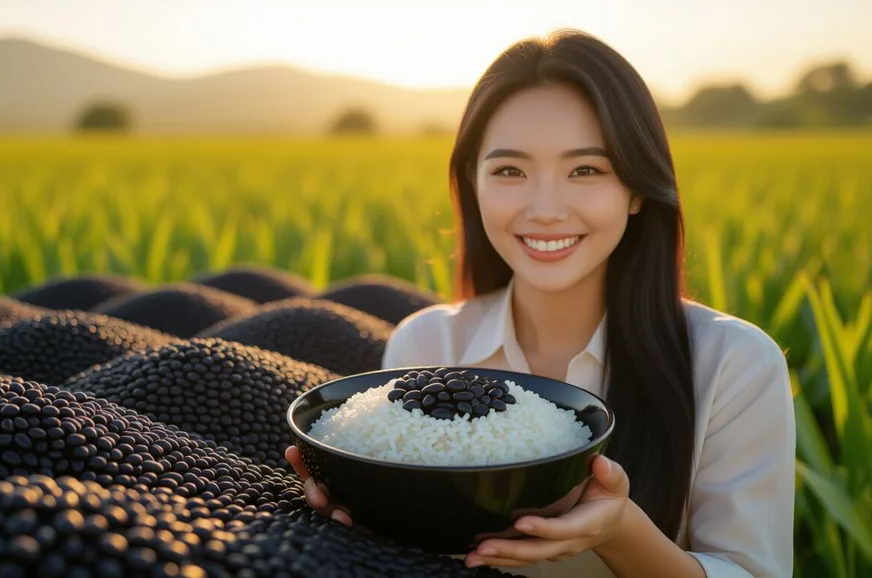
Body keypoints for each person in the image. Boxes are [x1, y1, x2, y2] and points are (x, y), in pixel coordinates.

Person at [285, 28, 795, 578]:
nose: (546, 208)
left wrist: (620, 532)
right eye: (510, 171)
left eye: (586, 170)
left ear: (637, 189)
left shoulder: (733, 363)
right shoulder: (426, 343)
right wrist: (360, 511)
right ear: (472, 184)